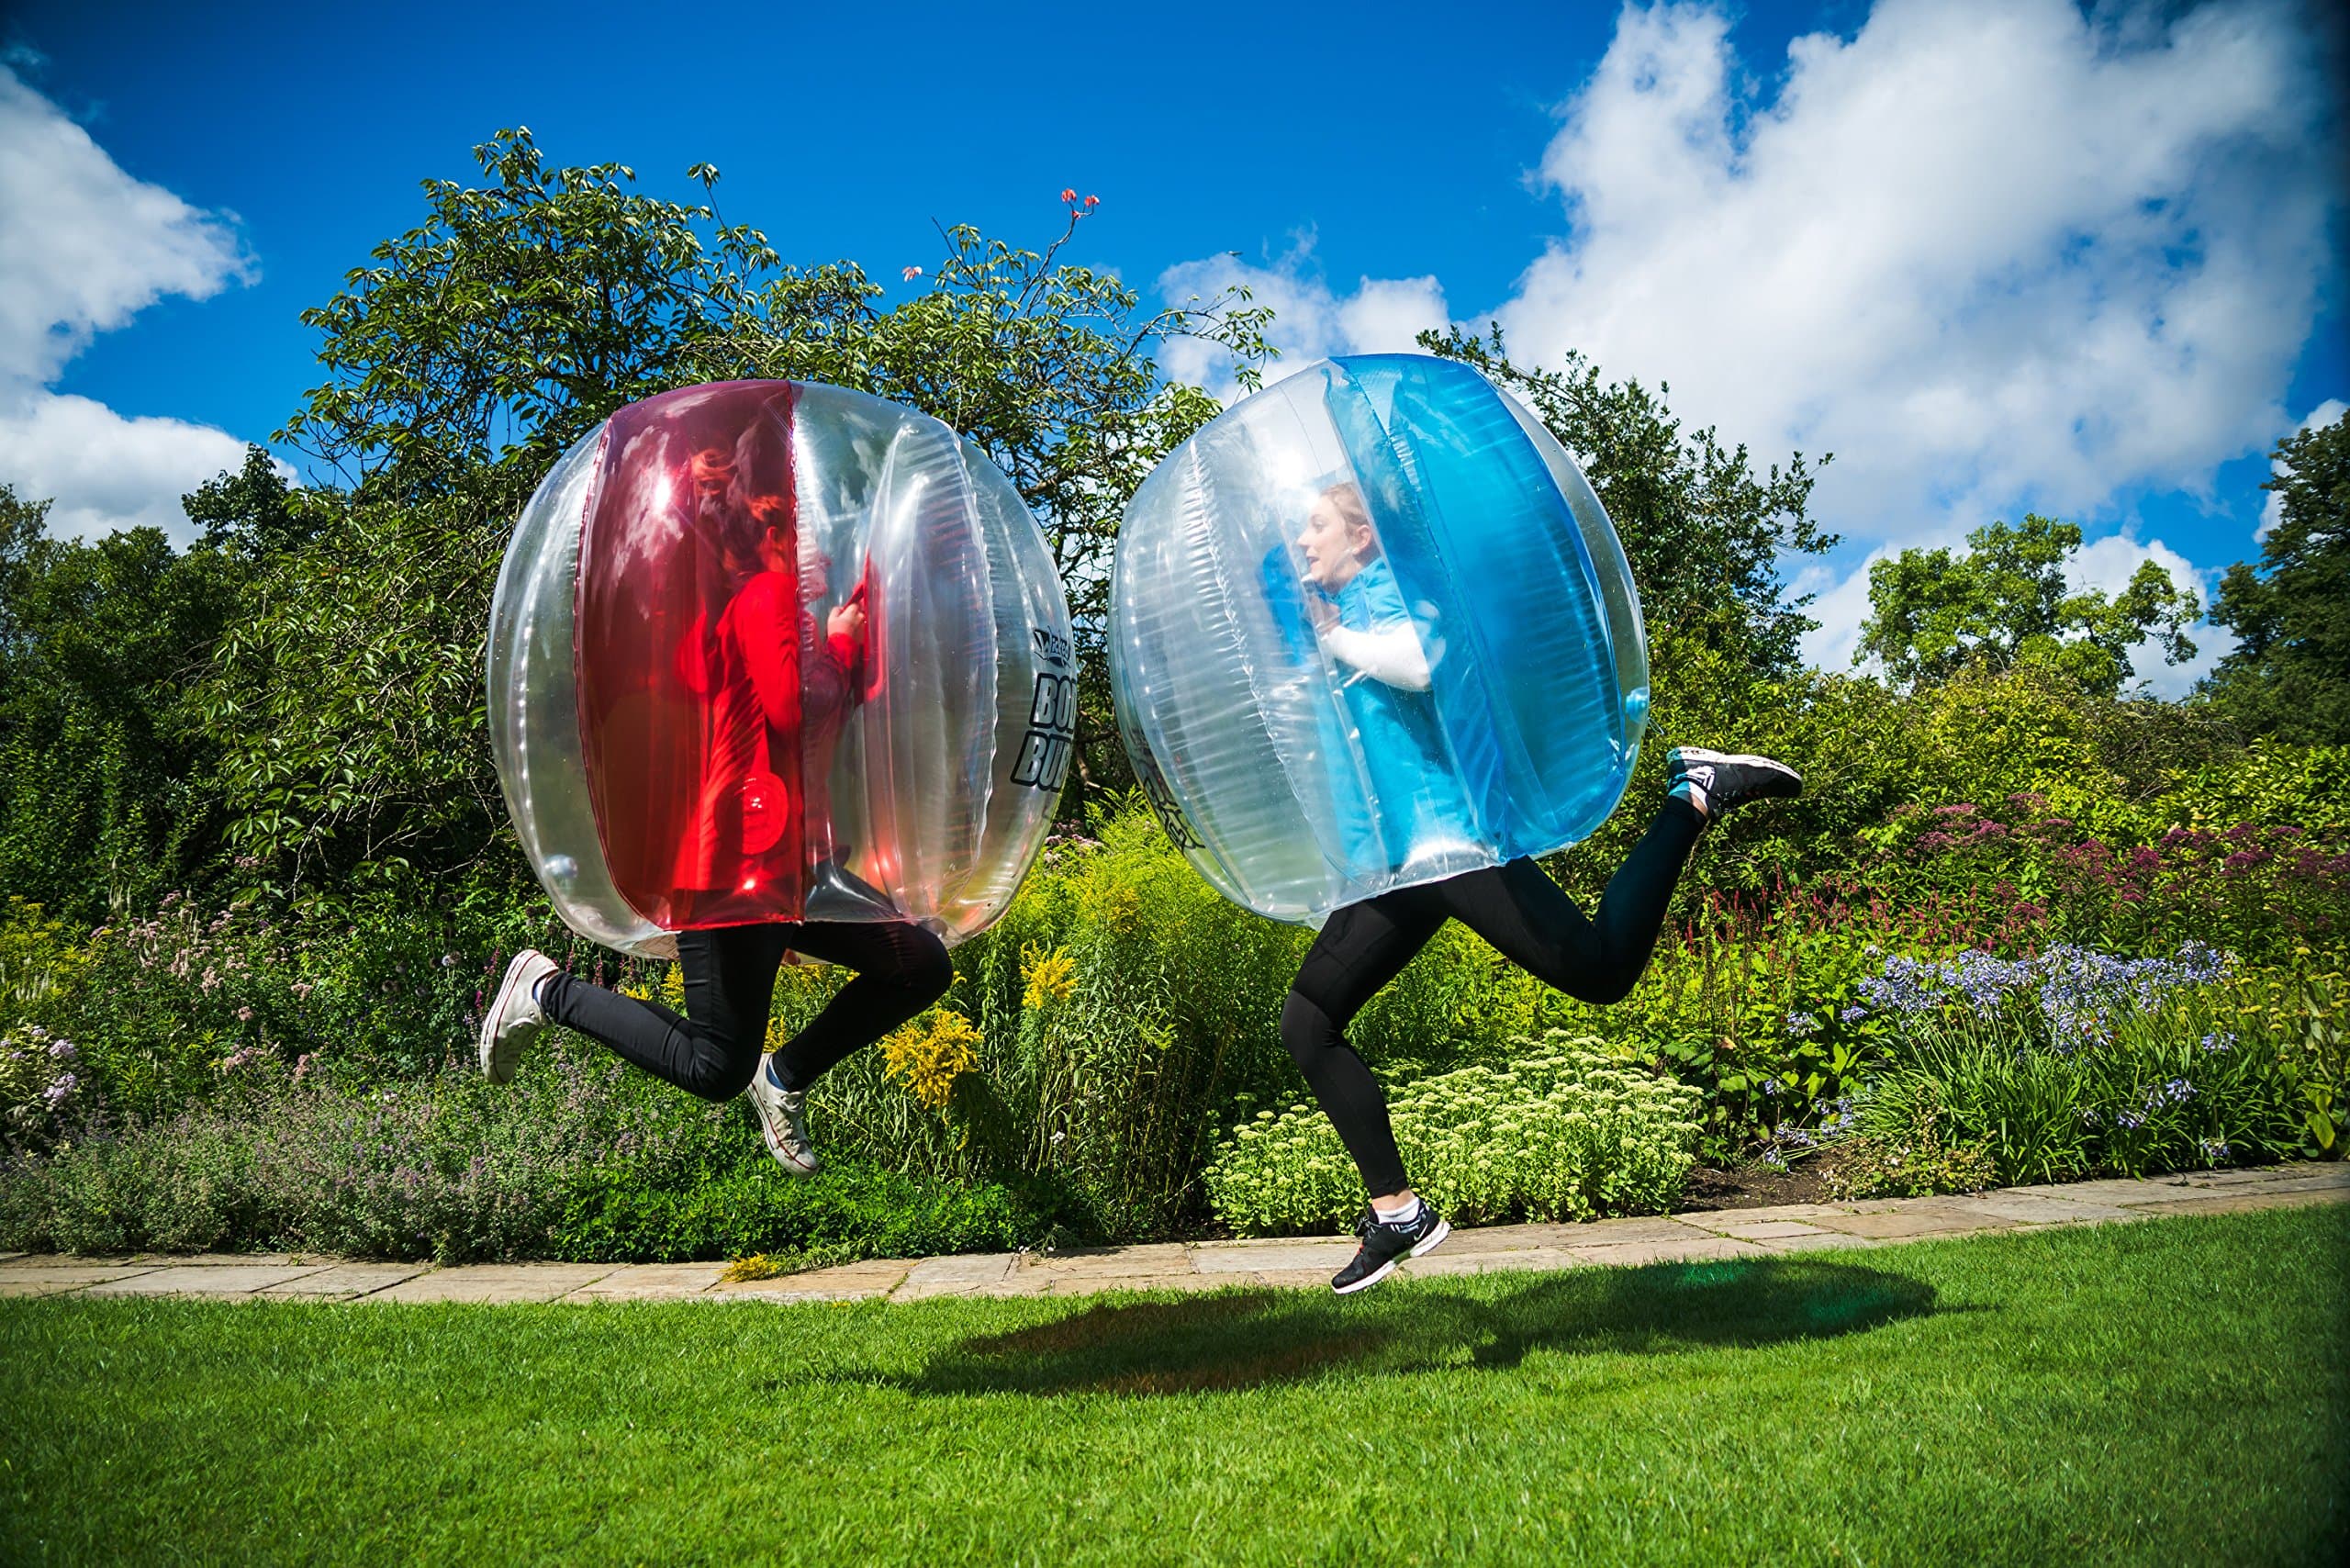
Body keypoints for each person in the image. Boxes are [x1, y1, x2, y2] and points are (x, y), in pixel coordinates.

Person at [1290, 480, 1800, 1293]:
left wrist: (1336, 634)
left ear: (1363, 538)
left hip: (1455, 846)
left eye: (1315, 525)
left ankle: (1693, 795)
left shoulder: (1395, 592)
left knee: (1600, 971)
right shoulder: (1334, 615)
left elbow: (1425, 665)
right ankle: (1397, 1213)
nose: (1302, 539)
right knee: (1307, 1022)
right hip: (1398, 867)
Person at [476, 466, 951, 1178]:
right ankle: (545, 990)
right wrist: (843, 646)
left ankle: (784, 1077)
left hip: (793, 865)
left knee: (918, 965)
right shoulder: (763, 601)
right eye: (807, 538)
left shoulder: (795, 620)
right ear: (772, 543)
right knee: (712, 1068)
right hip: (736, 867)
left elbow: (811, 735)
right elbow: (791, 714)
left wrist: (843, 643)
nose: (823, 552)